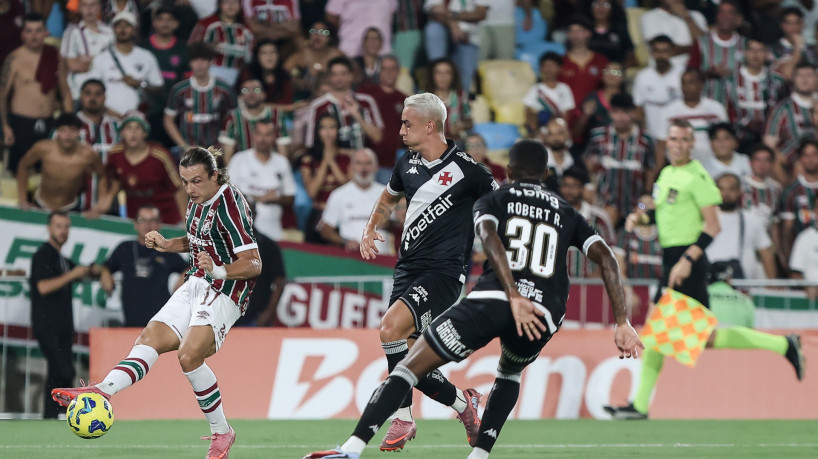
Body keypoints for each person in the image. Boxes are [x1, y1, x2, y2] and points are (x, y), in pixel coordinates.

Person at [302, 140, 644, 459]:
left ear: (508, 170)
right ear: (546, 175)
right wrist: (622, 321)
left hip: (495, 300)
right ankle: (479, 455)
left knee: (408, 366)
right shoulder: (568, 212)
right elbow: (607, 258)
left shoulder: (496, 199)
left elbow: (488, 236)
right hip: (544, 312)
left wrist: (512, 294)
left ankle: (351, 448)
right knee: (509, 373)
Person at [52, 146, 262, 459]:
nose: (189, 189)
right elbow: (197, 241)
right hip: (197, 282)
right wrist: (167, 245)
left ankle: (222, 433)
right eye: (185, 181)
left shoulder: (229, 202)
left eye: (196, 181)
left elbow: (254, 263)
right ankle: (103, 390)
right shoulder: (196, 201)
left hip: (225, 290)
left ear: (215, 176)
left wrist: (218, 270)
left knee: (189, 356)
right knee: (149, 338)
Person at [605, 119, 805, 420]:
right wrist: (641, 219)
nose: (677, 144)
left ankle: (782, 343)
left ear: (691, 144)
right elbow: (660, 214)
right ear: (668, 141)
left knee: (683, 335)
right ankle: (640, 405)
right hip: (672, 260)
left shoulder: (697, 177)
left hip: (689, 263)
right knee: (666, 334)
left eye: (684, 140)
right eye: (672, 138)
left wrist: (688, 260)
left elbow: (713, 226)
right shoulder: (666, 173)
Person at [351, 93, 498, 451]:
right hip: (407, 270)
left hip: (444, 274)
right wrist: (371, 228)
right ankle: (466, 404)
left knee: (389, 328)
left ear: (430, 126)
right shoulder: (407, 164)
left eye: (407, 123)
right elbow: (387, 199)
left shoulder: (470, 171)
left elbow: (501, 208)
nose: (400, 129)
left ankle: (402, 418)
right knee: (413, 363)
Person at [31, 211, 95, 418]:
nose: (63, 231)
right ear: (49, 228)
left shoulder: (62, 258)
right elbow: (42, 287)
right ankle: (66, 413)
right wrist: (72, 275)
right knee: (65, 372)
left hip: (63, 325)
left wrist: (102, 272)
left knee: (56, 373)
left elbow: (85, 271)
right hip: (47, 324)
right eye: (59, 226)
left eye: (66, 226)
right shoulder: (43, 254)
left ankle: (51, 418)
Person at [1, 13, 73, 174]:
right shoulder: (14, 59)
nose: (34, 36)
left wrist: (69, 124)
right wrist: (6, 126)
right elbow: (2, 96)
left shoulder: (54, 55)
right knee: (20, 172)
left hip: (48, 123)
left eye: (38, 30)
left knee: (48, 171)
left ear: (46, 33)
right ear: (22, 34)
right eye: (29, 31)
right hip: (21, 124)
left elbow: (65, 92)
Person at [99, 205, 188, 327]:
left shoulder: (166, 250)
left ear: (159, 224)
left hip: (161, 322)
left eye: (153, 220)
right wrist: (105, 273)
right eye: (142, 220)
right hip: (131, 321)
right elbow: (105, 266)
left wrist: (181, 284)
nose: (148, 224)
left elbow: (189, 268)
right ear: (135, 224)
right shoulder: (125, 248)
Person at [100, 111, 187, 224]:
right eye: (129, 128)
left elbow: (178, 188)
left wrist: (186, 222)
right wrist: (108, 197)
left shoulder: (160, 156)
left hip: (166, 220)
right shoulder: (115, 155)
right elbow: (115, 178)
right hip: (136, 222)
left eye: (138, 128)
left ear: (145, 133)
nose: (133, 133)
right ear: (121, 133)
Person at [584, 93, 655, 225]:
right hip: (603, 207)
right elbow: (587, 166)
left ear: (633, 113)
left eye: (626, 112)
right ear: (610, 113)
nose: (621, 117)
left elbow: (650, 169)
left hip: (636, 209)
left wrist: (645, 198)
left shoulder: (645, 139)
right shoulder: (598, 136)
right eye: (616, 112)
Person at [16, 114, 108, 215]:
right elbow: (23, 166)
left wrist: (100, 205)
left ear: (79, 132)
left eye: (72, 130)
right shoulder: (43, 148)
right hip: (41, 204)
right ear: (57, 131)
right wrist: (23, 199)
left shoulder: (87, 154)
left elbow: (103, 176)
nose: (67, 136)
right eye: (63, 130)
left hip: (71, 207)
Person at [228, 119, 296, 241]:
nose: (263, 139)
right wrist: (255, 198)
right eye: (259, 134)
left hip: (275, 228)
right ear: (254, 136)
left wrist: (277, 198)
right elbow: (227, 194)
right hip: (243, 228)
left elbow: (290, 196)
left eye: (267, 135)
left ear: (274, 137)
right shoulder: (239, 159)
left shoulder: (282, 162)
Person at [87, 11, 164, 117]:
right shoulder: (101, 58)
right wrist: (113, 114)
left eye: (127, 25)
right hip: (108, 118)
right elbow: (91, 89)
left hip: (138, 121)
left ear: (135, 30)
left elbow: (158, 87)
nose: (122, 29)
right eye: (118, 26)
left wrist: (139, 84)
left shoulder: (146, 56)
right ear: (113, 29)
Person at [165, 42, 237, 152]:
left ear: (210, 62)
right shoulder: (179, 90)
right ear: (190, 63)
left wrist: (223, 144)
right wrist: (184, 146)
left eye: (203, 60)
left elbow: (234, 118)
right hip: (188, 152)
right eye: (195, 60)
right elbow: (168, 120)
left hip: (216, 151)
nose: (199, 64)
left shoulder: (224, 89)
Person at [707, 173, 777, 279]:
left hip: (744, 285)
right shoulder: (704, 218)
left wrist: (772, 283)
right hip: (709, 282)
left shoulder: (751, 219)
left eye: (732, 189)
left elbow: (766, 252)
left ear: (740, 191)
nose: (726, 194)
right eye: (721, 189)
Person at [304, 56, 384, 150]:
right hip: (331, 161)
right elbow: (310, 143)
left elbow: (377, 137)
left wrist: (358, 116)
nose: (339, 78)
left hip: (362, 161)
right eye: (334, 74)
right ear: (329, 77)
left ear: (351, 76)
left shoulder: (366, 101)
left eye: (343, 74)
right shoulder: (317, 106)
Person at [320, 148, 389, 253]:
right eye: (359, 163)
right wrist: (345, 241)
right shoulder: (339, 195)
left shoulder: (388, 194)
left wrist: (390, 223)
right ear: (351, 167)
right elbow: (325, 230)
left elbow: (400, 223)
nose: (364, 168)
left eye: (368, 163)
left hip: (381, 259)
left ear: (376, 167)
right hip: (351, 257)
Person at [725, 37, 788, 151]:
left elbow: (782, 108)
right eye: (751, 50)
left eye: (760, 50)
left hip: (770, 140)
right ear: (745, 52)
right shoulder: (729, 81)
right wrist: (745, 123)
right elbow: (725, 109)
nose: (755, 54)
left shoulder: (777, 81)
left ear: (767, 54)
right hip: (738, 140)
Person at [656, 69, 728, 166]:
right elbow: (661, 144)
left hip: (712, 164)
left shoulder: (716, 109)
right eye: (683, 83)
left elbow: (726, 139)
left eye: (691, 82)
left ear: (701, 84)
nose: (687, 87)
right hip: (680, 165)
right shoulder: (669, 111)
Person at [140, 3, 189, 146]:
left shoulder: (183, 49)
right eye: (160, 19)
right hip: (147, 109)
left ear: (176, 24)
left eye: (170, 20)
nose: (165, 23)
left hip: (175, 111)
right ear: (154, 22)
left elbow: (187, 81)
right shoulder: (142, 47)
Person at [299, 114, 352, 243]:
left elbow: (348, 187)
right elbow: (312, 191)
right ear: (317, 132)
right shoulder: (308, 159)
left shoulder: (348, 157)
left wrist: (332, 162)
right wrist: (325, 161)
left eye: (332, 128)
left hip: (342, 214)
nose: (328, 132)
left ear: (338, 131)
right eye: (323, 128)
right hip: (318, 212)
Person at [73, 79, 120, 212]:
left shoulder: (117, 127)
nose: (92, 98)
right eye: (88, 93)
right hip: (73, 200)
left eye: (98, 94)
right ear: (80, 96)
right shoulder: (68, 127)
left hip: (109, 201)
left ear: (104, 97)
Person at [559, 166, 616, 278]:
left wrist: (598, 275)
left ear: (583, 189)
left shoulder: (599, 219)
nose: (569, 190)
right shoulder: (552, 215)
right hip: (557, 286)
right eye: (565, 185)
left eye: (574, 186)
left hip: (590, 285)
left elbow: (610, 252)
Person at [358, 54, 408, 182]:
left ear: (398, 72)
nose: (389, 73)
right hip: (365, 162)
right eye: (384, 69)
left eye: (392, 69)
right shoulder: (365, 93)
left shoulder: (404, 100)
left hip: (392, 164)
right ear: (378, 71)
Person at [686, 0, 746, 103]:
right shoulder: (702, 43)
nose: (725, 16)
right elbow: (690, 75)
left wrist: (734, 74)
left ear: (737, 17)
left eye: (730, 13)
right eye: (721, 12)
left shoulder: (746, 45)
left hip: (738, 106)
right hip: (708, 105)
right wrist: (708, 74)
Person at [764, 63, 816, 181]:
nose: (805, 80)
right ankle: (789, 193)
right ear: (793, 78)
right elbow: (769, 143)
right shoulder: (782, 108)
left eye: (809, 75)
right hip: (791, 163)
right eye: (800, 76)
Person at [424, 0, 489, 90]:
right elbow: (436, 12)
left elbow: (481, 13)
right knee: (433, 29)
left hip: (468, 36)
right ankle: (437, 70)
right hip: (444, 30)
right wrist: (452, 24)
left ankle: (461, 98)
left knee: (464, 80)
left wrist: (453, 15)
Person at [189, 0, 254, 85]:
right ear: (219, 4)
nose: (231, 6)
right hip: (210, 70)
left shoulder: (245, 28)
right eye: (227, 2)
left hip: (237, 73)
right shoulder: (206, 24)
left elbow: (250, 53)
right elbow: (192, 47)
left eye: (234, 3)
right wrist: (207, 48)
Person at [61, 0, 114, 103]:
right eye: (85, 5)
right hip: (79, 92)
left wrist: (88, 60)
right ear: (79, 8)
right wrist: (100, 58)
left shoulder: (110, 32)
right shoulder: (72, 32)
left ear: (99, 7)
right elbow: (72, 65)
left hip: (106, 91)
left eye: (93, 5)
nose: (89, 9)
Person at [632, 35, 682, 143]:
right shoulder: (642, 76)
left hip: (678, 133)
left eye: (665, 51)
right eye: (657, 51)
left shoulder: (682, 74)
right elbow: (638, 108)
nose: (661, 55)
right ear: (652, 53)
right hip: (651, 133)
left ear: (671, 52)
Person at [777, 139, 818, 266]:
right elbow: (787, 230)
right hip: (802, 256)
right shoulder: (791, 191)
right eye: (806, 155)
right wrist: (788, 261)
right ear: (800, 159)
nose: (810, 159)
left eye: (814, 154)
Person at [219, 77, 280, 161]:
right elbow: (227, 156)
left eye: (256, 90)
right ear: (240, 97)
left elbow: (283, 149)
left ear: (264, 94)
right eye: (245, 90)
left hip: (270, 167)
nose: (251, 94)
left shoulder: (277, 116)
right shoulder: (232, 119)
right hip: (242, 170)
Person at [639, 0, 707, 70]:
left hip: (696, 73)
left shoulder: (696, 16)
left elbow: (705, 47)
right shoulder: (649, 17)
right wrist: (695, 48)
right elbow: (663, 50)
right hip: (665, 72)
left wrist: (687, 18)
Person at [559, 16, 608, 111]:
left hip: (596, 114)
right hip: (567, 114)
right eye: (571, 31)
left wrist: (619, 71)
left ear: (588, 33)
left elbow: (616, 73)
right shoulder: (561, 62)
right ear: (568, 35)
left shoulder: (601, 60)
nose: (575, 35)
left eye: (579, 31)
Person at [283, 20, 344, 97]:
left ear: (329, 37)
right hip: (305, 98)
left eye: (323, 32)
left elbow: (354, 73)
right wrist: (296, 76)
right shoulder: (303, 54)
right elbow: (285, 70)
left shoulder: (337, 55)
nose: (317, 35)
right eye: (313, 31)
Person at [522, 52, 576, 137]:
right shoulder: (535, 89)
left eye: (552, 66)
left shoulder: (564, 88)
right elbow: (528, 111)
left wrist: (557, 129)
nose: (549, 69)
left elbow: (566, 113)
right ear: (541, 68)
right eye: (546, 66)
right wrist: (534, 129)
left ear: (559, 68)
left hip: (557, 127)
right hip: (540, 128)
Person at [571, 61, 624, 144]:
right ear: (602, 76)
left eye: (616, 72)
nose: (611, 75)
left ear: (623, 77)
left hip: (620, 148)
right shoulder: (592, 98)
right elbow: (576, 133)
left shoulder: (627, 100)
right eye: (608, 71)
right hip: (595, 148)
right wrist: (586, 115)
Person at [426, 58, 472, 141]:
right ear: (432, 76)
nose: (443, 77)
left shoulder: (461, 96)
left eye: (447, 73)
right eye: (438, 73)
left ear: (453, 76)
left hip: (456, 143)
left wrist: (462, 126)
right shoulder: (423, 99)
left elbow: (469, 121)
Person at [239, 38, 295, 107]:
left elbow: (287, 102)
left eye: (273, 52)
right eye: (264, 53)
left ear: (278, 56)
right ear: (257, 57)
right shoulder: (247, 73)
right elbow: (248, 102)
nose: (269, 57)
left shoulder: (284, 75)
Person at [583, 0, 635, 68]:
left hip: (614, 74)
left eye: (606, 5)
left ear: (612, 9)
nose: (600, 8)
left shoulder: (620, 30)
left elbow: (630, 55)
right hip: (588, 73)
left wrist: (619, 71)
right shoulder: (583, 30)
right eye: (596, 4)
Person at [742, 144, 782, 228]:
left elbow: (775, 222)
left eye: (766, 160)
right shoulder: (740, 185)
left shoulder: (777, 189)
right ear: (750, 162)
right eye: (758, 160)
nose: (762, 164)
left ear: (772, 164)